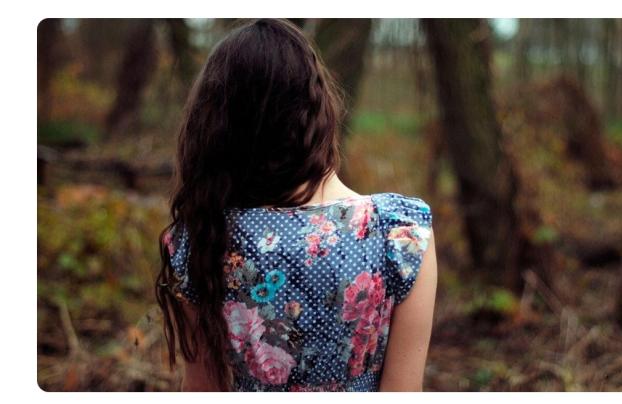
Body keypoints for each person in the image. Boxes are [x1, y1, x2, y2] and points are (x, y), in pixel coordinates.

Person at [155, 18, 437, 392]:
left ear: (216, 128)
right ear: (319, 110)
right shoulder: (400, 236)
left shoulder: (201, 237)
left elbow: (202, 389)